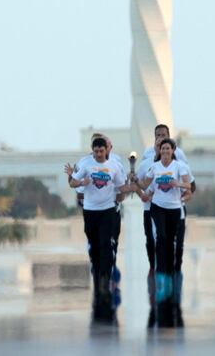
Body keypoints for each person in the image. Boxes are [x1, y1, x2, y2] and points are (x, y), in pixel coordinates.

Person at [64, 137, 132, 321]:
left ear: (106, 151)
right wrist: (79, 180)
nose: (99, 154)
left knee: (105, 245)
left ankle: (104, 280)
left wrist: (134, 185)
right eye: (96, 151)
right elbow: (72, 184)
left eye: (102, 151)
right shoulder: (86, 164)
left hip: (108, 210)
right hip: (90, 211)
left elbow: (121, 187)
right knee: (94, 246)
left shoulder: (114, 166)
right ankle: (98, 271)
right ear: (93, 151)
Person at [137, 138, 191, 304]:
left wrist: (177, 183)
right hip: (158, 207)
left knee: (170, 243)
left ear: (173, 151)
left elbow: (188, 186)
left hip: (174, 209)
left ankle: (169, 276)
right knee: (160, 237)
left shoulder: (179, 166)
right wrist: (134, 181)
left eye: (168, 149)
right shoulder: (154, 167)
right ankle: (161, 278)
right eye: (163, 149)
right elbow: (146, 185)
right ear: (159, 151)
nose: (166, 151)